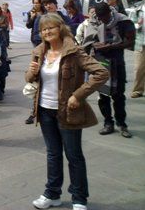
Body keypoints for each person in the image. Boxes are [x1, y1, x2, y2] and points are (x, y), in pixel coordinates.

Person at [26, 13, 108, 210]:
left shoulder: (74, 52)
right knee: (53, 154)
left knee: (73, 155)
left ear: (60, 28)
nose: (47, 31)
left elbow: (101, 73)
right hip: (45, 110)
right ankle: (52, 194)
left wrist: (78, 95)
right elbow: (29, 78)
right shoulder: (39, 52)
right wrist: (31, 71)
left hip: (67, 111)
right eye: (43, 29)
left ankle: (79, 198)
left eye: (51, 27)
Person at [93, 2, 135, 138]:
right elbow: (87, 39)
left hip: (117, 62)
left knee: (118, 95)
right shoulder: (94, 20)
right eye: (100, 18)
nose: (103, 20)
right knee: (103, 94)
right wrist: (95, 45)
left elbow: (130, 42)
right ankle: (108, 123)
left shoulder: (123, 21)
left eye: (104, 17)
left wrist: (111, 46)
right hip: (101, 62)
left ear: (109, 12)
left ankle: (122, 124)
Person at [130, 0, 145, 98]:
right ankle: (138, 90)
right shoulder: (137, 8)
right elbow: (131, 24)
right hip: (140, 43)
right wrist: (138, 24)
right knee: (139, 67)